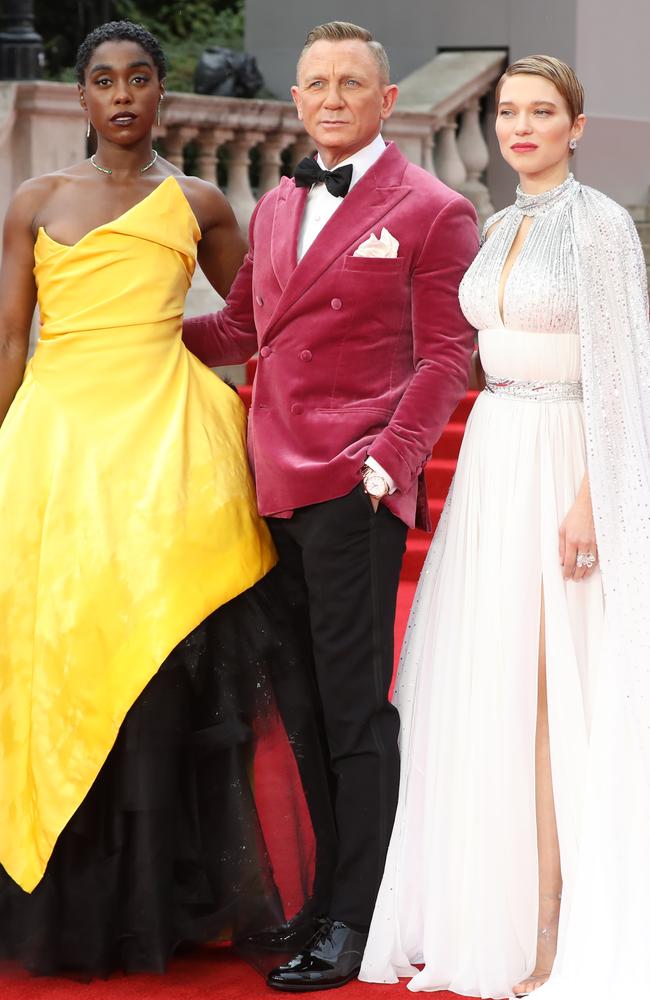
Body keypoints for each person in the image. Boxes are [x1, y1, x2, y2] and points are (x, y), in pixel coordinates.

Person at [0, 19, 334, 978]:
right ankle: (60, 889)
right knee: (57, 653)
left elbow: (257, 324)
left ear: (160, 94)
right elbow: (12, 344)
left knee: (157, 665)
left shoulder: (198, 202)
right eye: (103, 80)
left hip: (167, 459)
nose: (122, 95)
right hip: (57, 454)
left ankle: (171, 893)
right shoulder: (34, 200)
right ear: (82, 97)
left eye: (139, 78)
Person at [182, 19, 478, 992]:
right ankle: (327, 899)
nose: (333, 97)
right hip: (268, 489)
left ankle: (356, 913)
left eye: (352, 82)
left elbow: (444, 356)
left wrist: (389, 461)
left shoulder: (431, 209)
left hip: (356, 488)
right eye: (315, 83)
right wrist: (130, 334)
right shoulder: (272, 204)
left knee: (354, 713)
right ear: (297, 101)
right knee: (301, 707)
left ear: (386, 101)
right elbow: (240, 325)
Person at [360, 55, 650, 999]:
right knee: (487, 681)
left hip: (567, 454)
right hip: (494, 454)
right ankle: (489, 905)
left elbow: (622, 375)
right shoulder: (494, 224)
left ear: (576, 124)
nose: (519, 127)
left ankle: (557, 929)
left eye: (540, 112)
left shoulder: (603, 228)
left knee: (548, 694)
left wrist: (590, 499)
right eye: (507, 112)